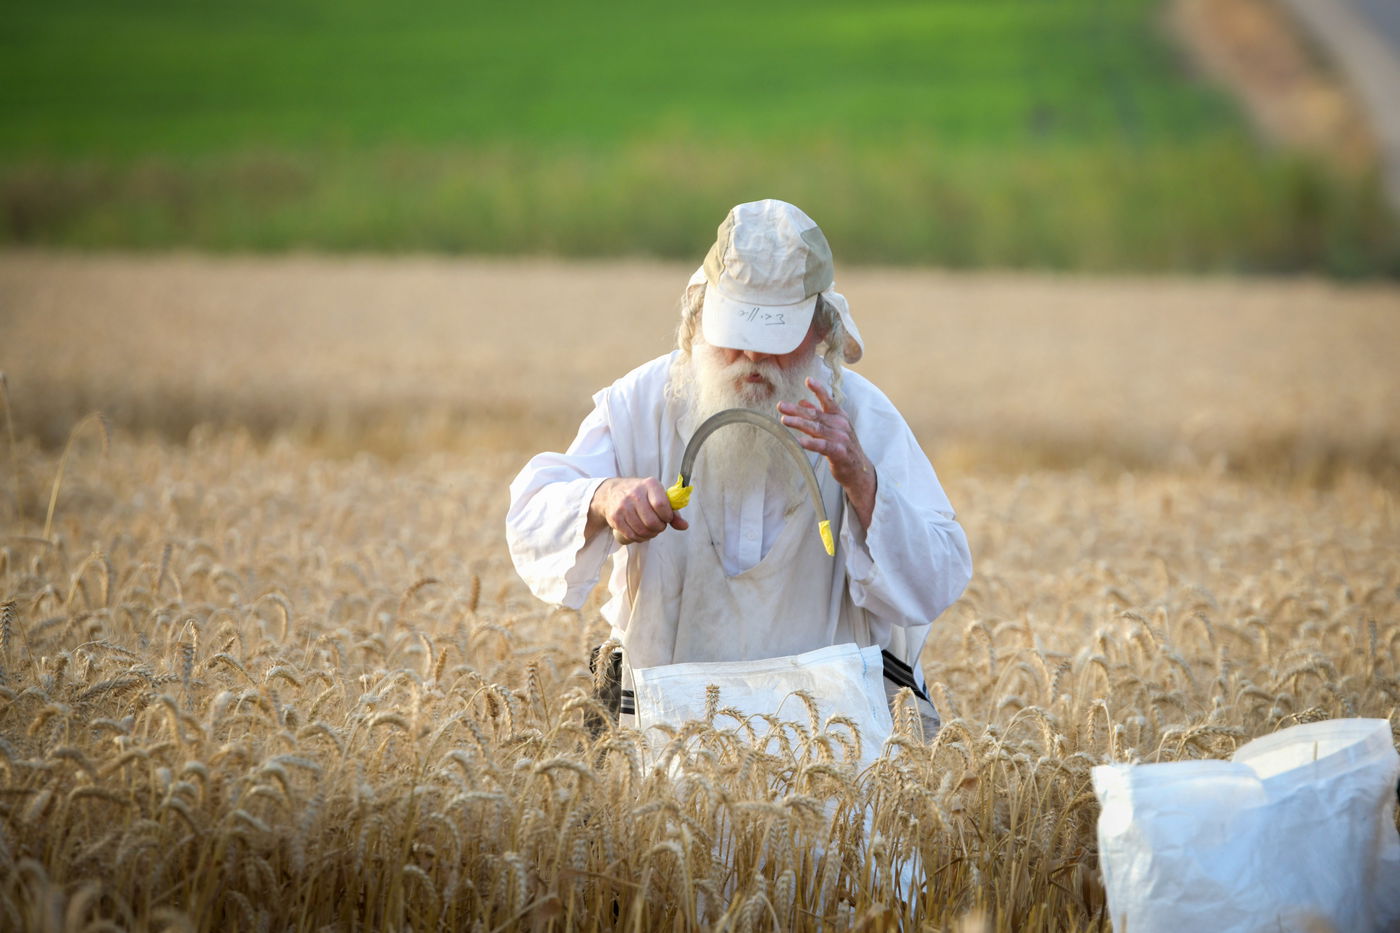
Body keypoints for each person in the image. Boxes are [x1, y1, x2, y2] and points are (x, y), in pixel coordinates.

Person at [506, 199, 971, 738]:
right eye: (736, 334)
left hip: (835, 755)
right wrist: (604, 498)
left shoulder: (864, 419)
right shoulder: (641, 405)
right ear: (698, 319)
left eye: (776, 339)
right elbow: (531, 516)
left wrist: (862, 480)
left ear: (822, 331)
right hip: (664, 745)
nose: (752, 356)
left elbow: (938, 578)